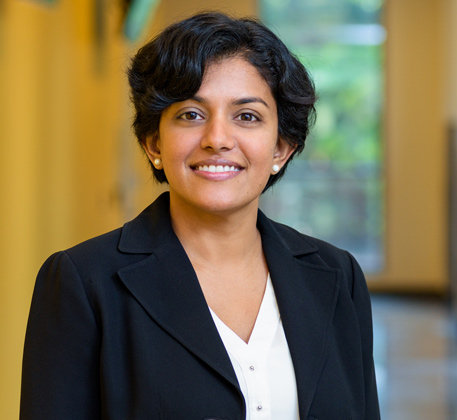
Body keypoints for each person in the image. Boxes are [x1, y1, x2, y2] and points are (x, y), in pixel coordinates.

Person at [20, 11, 380, 420]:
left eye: (247, 116)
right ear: (154, 142)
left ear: (281, 148)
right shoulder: (82, 283)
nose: (218, 140)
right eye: (191, 114)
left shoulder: (337, 278)